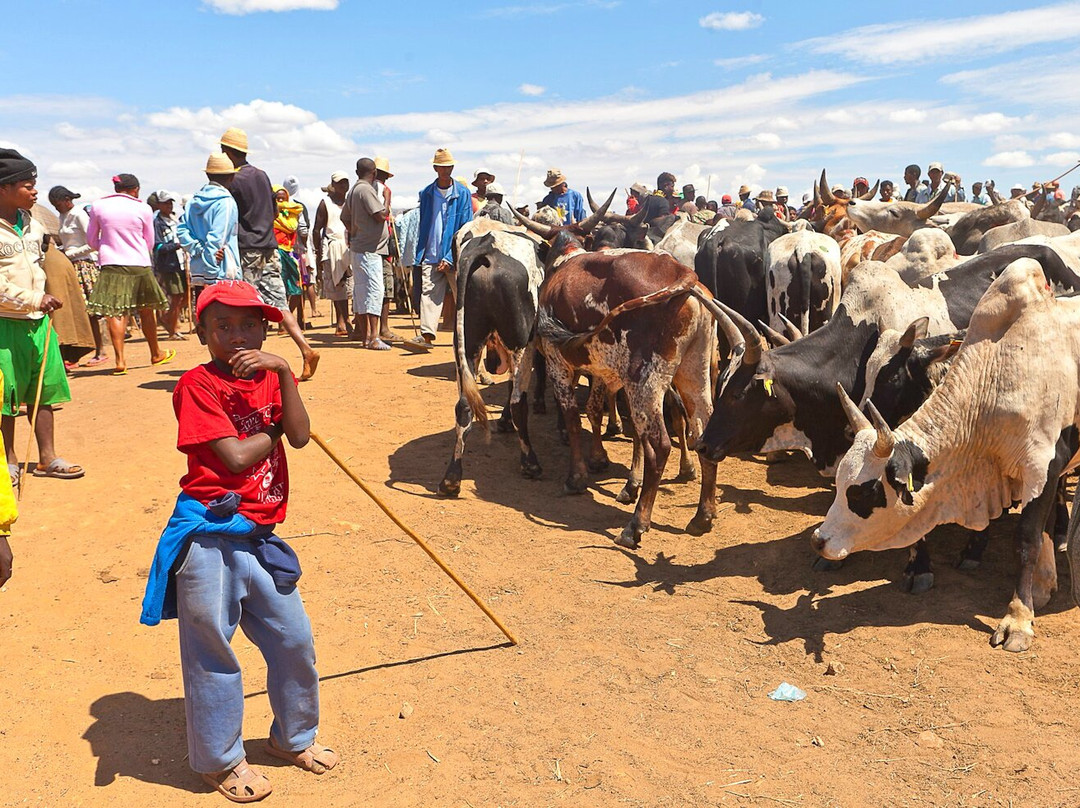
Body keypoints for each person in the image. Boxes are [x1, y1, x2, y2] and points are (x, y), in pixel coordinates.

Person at [139, 280, 337, 802]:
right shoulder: (196, 386)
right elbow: (236, 457)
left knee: (293, 640)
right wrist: (271, 428)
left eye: (248, 324)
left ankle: (292, 738)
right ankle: (219, 761)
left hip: (260, 534)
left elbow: (299, 434)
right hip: (210, 536)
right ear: (202, 333)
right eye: (222, 326)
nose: (236, 335)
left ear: (267, 329)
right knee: (213, 652)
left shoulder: (271, 377)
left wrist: (284, 375)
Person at [0, 148, 84, 487]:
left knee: (44, 391)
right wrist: (35, 297)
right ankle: (9, 459)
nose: (35, 191)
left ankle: (48, 457)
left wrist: (44, 298)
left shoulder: (33, 223)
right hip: (6, 323)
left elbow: (38, 266)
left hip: (39, 322)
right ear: (3, 188)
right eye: (26, 185)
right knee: (6, 395)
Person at [219, 127, 319, 380]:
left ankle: (247, 363)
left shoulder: (234, 180)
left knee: (245, 305)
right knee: (280, 304)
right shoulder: (262, 175)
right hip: (270, 246)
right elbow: (274, 212)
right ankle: (306, 349)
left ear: (228, 152)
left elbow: (229, 216)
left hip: (247, 248)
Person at [86, 173, 175, 375]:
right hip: (139, 263)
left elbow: (91, 240)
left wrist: (108, 246)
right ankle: (155, 353)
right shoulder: (142, 208)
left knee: (116, 312)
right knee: (147, 309)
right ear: (135, 190)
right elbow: (149, 241)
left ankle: (120, 360)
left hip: (111, 264)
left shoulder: (98, 206)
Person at [409, 148, 473, 350]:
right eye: (442, 167)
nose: (445, 171)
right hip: (430, 252)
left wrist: (450, 256)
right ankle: (426, 335)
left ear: (452, 168)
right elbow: (424, 225)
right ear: (435, 168)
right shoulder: (427, 193)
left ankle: (467, 337)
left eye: (449, 167)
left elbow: (465, 226)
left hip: (454, 255)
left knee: (462, 296)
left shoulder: (462, 194)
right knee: (428, 293)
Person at [49, 185, 108, 365]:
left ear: (67, 200)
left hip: (85, 266)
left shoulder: (79, 214)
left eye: (57, 204)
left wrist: (70, 254)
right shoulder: (62, 216)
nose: (56, 208)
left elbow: (93, 242)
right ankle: (76, 352)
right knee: (77, 311)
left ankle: (101, 350)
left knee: (92, 311)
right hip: (70, 267)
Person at [341, 157, 392, 350]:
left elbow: (344, 216)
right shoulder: (365, 189)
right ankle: (373, 337)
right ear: (375, 173)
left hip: (359, 247)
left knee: (361, 291)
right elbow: (380, 215)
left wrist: (354, 231)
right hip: (370, 249)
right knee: (375, 291)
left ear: (356, 172)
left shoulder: (354, 190)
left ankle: (365, 337)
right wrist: (386, 200)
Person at [177, 152, 242, 300]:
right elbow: (217, 239)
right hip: (221, 271)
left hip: (198, 269)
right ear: (231, 177)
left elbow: (182, 231)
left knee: (203, 317)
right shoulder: (226, 202)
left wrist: (198, 249)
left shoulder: (194, 201)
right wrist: (211, 272)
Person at [313, 171, 353, 338]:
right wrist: (318, 252)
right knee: (338, 286)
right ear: (333, 185)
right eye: (340, 183)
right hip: (332, 247)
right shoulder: (325, 203)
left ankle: (348, 320)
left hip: (350, 247)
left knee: (351, 286)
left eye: (345, 182)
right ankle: (341, 321)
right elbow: (316, 229)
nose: (343, 186)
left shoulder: (351, 202)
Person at [282, 176, 319, 322]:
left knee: (286, 286)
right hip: (297, 251)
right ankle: (290, 319)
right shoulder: (298, 207)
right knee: (301, 284)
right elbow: (304, 230)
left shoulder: (275, 206)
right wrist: (303, 247)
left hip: (281, 250)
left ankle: (296, 319)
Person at [373, 157, 401, 343]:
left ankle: (368, 330)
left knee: (370, 288)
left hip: (366, 246)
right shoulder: (384, 191)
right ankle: (383, 329)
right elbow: (383, 215)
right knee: (385, 287)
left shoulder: (361, 190)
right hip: (381, 246)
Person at [153, 191, 188, 340]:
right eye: (166, 203)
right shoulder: (157, 223)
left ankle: (168, 319)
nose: (169, 205)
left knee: (184, 296)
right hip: (169, 264)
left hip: (181, 262)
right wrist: (176, 246)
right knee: (176, 297)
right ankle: (173, 330)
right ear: (159, 205)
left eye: (170, 203)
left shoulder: (175, 220)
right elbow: (157, 246)